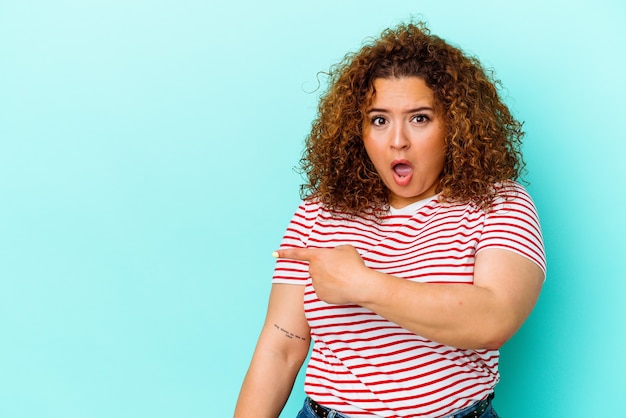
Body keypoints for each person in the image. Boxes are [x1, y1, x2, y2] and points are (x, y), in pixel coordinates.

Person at [234, 20, 545, 418]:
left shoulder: (500, 203)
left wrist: (363, 284)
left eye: (419, 118)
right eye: (379, 120)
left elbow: (494, 318)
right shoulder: (318, 212)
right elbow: (281, 347)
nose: (398, 140)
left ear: (455, 125)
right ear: (357, 130)